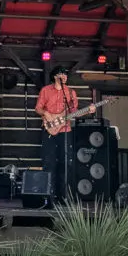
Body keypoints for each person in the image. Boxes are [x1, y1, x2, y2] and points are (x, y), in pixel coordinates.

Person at [35, 65, 95, 202]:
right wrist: (46, 113)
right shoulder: (46, 91)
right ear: (55, 76)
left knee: (65, 163)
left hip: (65, 131)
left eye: (66, 75)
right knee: (49, 162)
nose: (65, 77)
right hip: (49, 129)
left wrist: (89, 110)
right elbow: (38, 108)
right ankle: (48, 197)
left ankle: (63, 197)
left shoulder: (71, 93)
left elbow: (73, 112)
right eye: (62, 74)